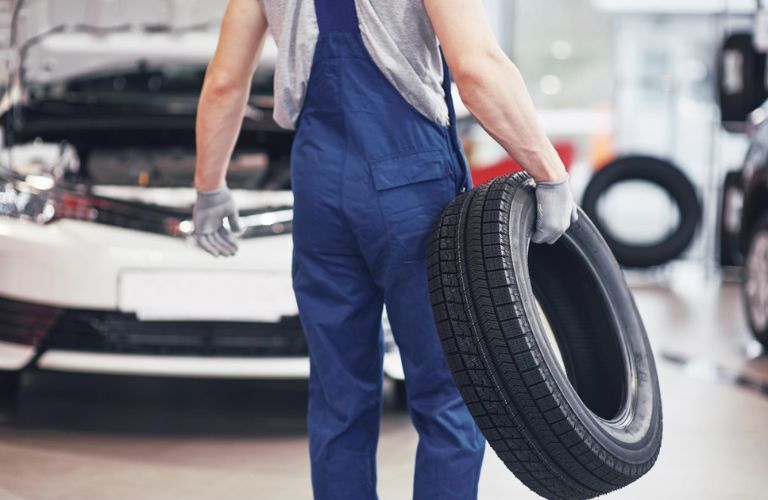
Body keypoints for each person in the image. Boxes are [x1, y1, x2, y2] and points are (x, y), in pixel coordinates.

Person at [193, 0, 578, 498]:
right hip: (411, 182)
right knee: (449, 388)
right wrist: (549, 172)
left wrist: (210, 186)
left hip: (318, 183)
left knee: (339, 394)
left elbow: (225, 81)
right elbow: (476, 67)